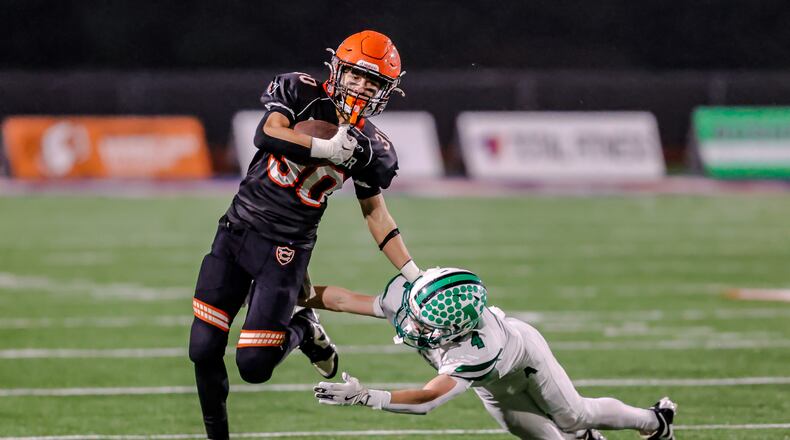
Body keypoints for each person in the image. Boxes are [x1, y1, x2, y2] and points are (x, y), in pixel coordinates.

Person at [188, 30, 423, 440]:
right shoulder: (299, 89)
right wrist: (326, 150)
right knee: (203, 350)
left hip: (287, 250)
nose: (362, 87)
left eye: (374, 83)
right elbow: (266, 134)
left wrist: (413, 273)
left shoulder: (375, 148)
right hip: (238, 229)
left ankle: (304, 329)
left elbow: (375, 212)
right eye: (356, 75)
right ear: (337, 69)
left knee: (255, 368)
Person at [304, 268, 677, 440]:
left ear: (456, 329)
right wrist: (291, 293)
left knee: (573, 416)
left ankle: (654, 423)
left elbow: (426, 400)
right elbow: (342, 298)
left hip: (524, 361)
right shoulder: (419, 302)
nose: (412, 325)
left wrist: (368, 397)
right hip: (491, 386)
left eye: (423, 323)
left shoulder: (476, 348)